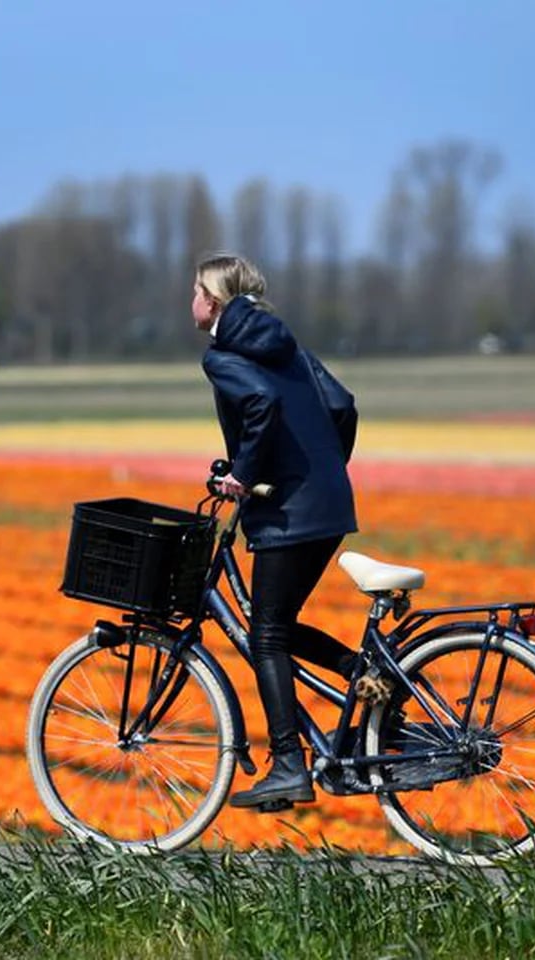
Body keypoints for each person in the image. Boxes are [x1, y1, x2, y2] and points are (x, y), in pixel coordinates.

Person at [192, 252, 364, 809]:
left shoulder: (222, 355)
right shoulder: (287, 345)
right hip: (329, 503)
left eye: (194, 290)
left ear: (212, 301)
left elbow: (261, 403)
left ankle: (289, 764)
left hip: (290, 512)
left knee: (264, 633)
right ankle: (364, 677)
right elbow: (343, 407)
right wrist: (319, 470)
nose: (189, 301)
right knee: (281, 626)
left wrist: (243, 476)